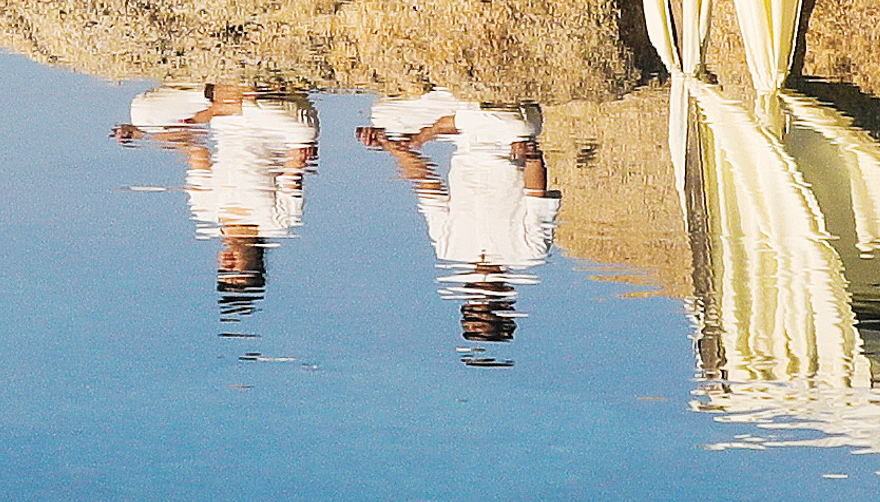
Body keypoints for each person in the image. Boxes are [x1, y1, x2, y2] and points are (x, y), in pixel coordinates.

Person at [359, 87, 559, 350]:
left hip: (463, 136)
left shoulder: (449, 249)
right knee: (507, 122)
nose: (479, 303)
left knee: (384, 116)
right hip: (508, 133)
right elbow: (537, 193)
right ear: (505, 303)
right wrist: (531, 154)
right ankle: (468, 105)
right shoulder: (529, 253)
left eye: (471, 313)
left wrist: (389, 142)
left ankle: (462, 102)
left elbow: (427, 183)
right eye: (484, 312)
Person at [118, 80, 316, 303]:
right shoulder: (280, 222)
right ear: (257, 265)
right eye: (237, 271)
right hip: (270, 119)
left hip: (222, 115)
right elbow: (296, 157)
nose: (227, 264)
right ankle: (246, 99)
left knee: (142, 114)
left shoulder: (205, 212)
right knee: (303, 132)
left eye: (224, 271)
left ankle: (217, 93)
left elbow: (195, 150)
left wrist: (146, 135)